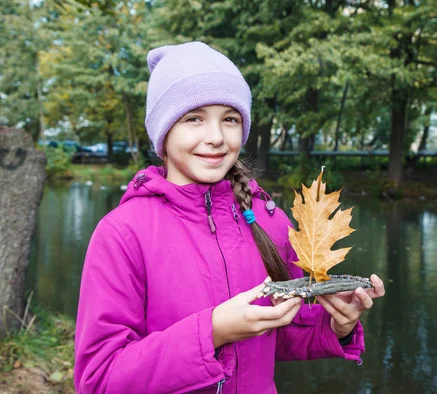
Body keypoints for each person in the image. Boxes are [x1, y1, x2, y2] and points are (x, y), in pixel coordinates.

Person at [73, 41, 385, 394]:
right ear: (163, 131)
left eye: (230, 119)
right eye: (194, 119)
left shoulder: (269, 221)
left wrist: (334, 326)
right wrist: (212, 333)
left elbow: (279, 337)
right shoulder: (123, 233)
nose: (216, 137)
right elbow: (99, 380)